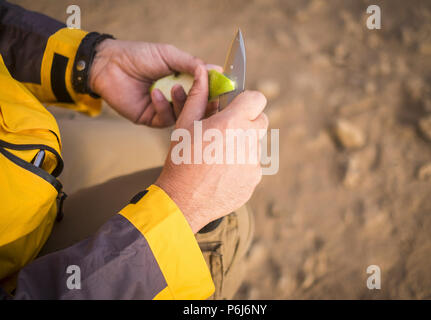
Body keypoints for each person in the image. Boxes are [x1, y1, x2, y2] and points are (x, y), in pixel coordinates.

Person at [0, 1, 268, 299]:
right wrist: (184, 208)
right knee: (226, 224)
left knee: (146, 147)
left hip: (22, 157)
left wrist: (92, 63)